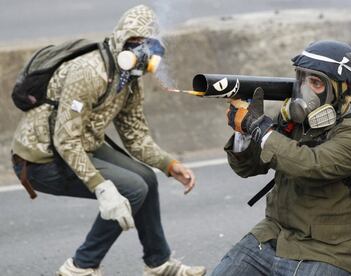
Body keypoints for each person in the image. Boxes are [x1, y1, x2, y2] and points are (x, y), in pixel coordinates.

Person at [11, 4, 206, 276]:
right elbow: (65, 140)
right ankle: (80, 266)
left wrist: (168, 164)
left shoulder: (128, 80)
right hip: (39, 159)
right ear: (121, 42)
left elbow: (135, 135)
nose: (143, 50)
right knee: (131, 189)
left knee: (147, 179)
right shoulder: (89, 72)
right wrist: (102, 187)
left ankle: (158, 262)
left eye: (148, 42)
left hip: (82, 145)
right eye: (135, 42)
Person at [213, 40, 351, 276]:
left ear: (340, 91)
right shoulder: (295, 121)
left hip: (325, 250)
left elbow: (311, 164)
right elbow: (248, 167)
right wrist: (243, 132)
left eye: (316, 82)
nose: (304, 89)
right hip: (274, 234)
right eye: (302, 78)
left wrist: (258, 128)